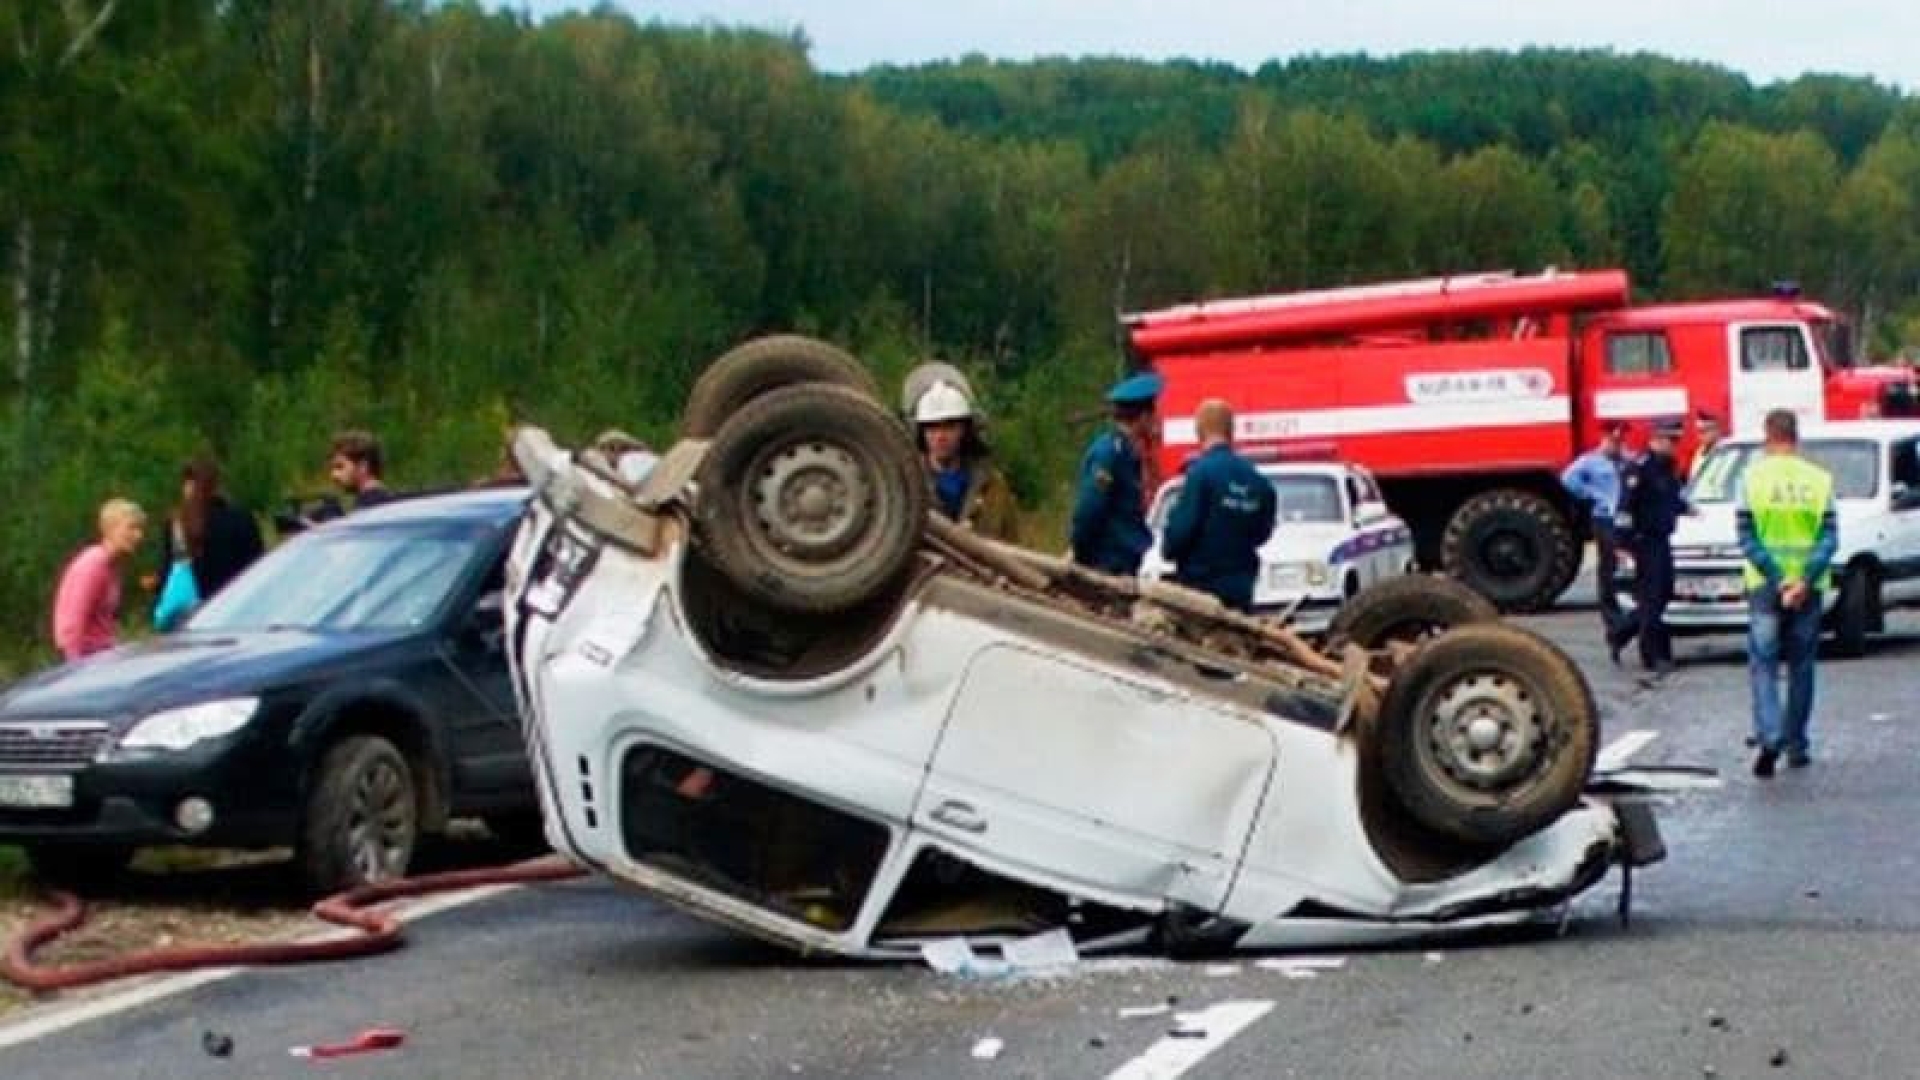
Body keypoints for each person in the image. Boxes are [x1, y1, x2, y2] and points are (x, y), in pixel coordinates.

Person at [1739, 408, 1837, 778]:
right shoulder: (1819, 480)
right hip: (1807, 588)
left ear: (1768, 435)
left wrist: (1778, 578)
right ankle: (1796, 743)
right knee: (1801, 666)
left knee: (1763, 665)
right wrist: (1803, 580)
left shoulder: (1751, 479)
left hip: (1765, 585)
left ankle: (1770, 735)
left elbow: (1746, 536)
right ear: (1796, 437)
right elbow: (1829, 537)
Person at [1161, 399, 1277, 612]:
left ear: (1199, 431)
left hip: (1201, 585)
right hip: (1241, 585)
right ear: (1231, 431)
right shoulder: (1257, 481)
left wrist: (1169, 549)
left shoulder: (1200, 474)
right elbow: (1264, 532)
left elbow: (1182, 528)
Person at [1611, 418, 1690, 675]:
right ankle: (1654, 656)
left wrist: (1687, 509)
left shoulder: (1668, 468)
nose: (1674, 446)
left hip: (1662, 539)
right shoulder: (1639, 469)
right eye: (1670, 440)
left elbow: (1670, 499)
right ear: (1656, 439)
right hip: (1644, 541)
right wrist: (1622, 543)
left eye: (1676, 440)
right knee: (1652, 597)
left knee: (1665, 592)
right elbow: (1625, 507)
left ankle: (1622, 630)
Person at [1070, 372, 1162, 575]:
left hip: (1124, 563)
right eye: (1153, 415)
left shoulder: (1128, 453)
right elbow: (1090, 510)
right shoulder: (1110, 454)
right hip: (1107, 564)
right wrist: (1082, 556)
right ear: (1144, 417)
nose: (1156, 421)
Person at [911, 380, 1020, 544]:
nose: (940, 436)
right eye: (932, 427)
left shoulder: (993, 487)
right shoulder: (909, 487)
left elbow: (1011, 542)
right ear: (921, 433)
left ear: (964, 430)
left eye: (949, 427)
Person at [157, 458, 265, 612]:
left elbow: (168, 572)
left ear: (187, 485)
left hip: (193, 611)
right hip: (236, 605)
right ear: (217, 486)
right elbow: (257, 566)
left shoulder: (177, 524)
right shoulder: (241, 518)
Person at [1561, 420, 1630, 642]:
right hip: (1604, 519)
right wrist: (1592, 495)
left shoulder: (1627, 461)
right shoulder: (1590, 462)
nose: (1617, 444)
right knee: (1609, 567)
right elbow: (1568, 479)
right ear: (1605, 438)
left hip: (1626, 521)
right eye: (1613, 440)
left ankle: (1629, 609)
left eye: (1620, 440)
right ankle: (1612, 618)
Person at [52, 498, 146, 661]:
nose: (138, 535)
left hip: (102, 654)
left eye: (140, 529)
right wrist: (75, 666)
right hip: (87, 658)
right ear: (110, 529)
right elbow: (73, 620)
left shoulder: (113, 566)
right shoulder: (94, 564)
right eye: (131, 528)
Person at [328, 430, 395, 510]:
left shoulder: (372, 505)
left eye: (340, 467)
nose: (333, 475)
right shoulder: (385, 502)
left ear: (363, 466)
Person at [1690, 410, 1724, 481]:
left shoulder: (1725, 451)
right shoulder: (1700, 451)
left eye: (1705, 431)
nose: (1701, 436)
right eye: (1699, 431)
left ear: (1717, 430)